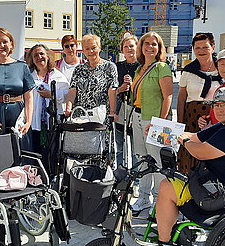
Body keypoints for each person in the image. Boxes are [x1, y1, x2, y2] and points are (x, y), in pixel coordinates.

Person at [139, 87, 225, 246]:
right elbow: (193, 136)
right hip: (213, 186)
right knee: (169, 184)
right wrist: (158, 130)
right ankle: (167, 239)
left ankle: (165, 245)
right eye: (217, 105)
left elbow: (200, 151)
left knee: (167, 187)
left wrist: (185, 142)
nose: (219, 109)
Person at [177, 33, 225, 173]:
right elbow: (214, 116)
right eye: (222, 64)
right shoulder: (220, 88)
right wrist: (206, 121)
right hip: (208, 129)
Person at [129, 32, 173, 213]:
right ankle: (144, 198)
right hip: (138, 117)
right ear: (141, 47)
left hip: (155, 120)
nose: (150, 47)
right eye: (146, 43)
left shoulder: (162, 67)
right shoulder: (139, 69)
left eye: (154, 44)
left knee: (158, 162)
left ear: (159, 48)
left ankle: (159, 201)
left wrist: (160, 123)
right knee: (143, 159)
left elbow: (168, 96)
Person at [25, 44, 69, 172]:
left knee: (52, 155)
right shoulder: (29, 76)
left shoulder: (57, 75)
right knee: (35, 155)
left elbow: (67, 94)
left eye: (42, 54)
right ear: (32, 59)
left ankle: (52, 178)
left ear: (48, 56)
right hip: (34, 124)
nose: (39, 57)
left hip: (52, 124)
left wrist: (52, 95)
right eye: (35, 55)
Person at [64, 34, 118, 120]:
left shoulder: (109, 67)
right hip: (81, 117)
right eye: (87, 49)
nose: (90, 51)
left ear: (99, 47)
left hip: (101, 117)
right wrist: (68, 108)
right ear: (83, 51)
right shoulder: (79, 69)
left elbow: (112, 91)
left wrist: (113, 112)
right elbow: (72, 91)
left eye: (94, 48)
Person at [114, 34, 140, 167]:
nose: (129, 49)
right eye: (126, 47)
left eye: (132, 46)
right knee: (119, 146)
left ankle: (135, 177)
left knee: (136, 149)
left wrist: (133, 85)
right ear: (122, 50)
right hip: (120, 108)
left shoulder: (142, 67)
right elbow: (112, 90)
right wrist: (121, 88)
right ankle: (121, 173)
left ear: (137, 47)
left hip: (135, 109)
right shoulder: (117, 67)